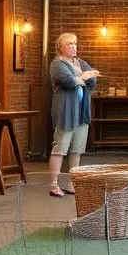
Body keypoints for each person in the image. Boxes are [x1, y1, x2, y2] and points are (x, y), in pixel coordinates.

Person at [49, 32, 99, 198]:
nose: (73, 46)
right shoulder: (57, 63)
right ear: (60, 48)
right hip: (65, 111)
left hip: (81, 111)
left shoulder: (80, 62)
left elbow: (92, 82)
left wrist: (84, 76)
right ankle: (54, 184)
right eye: (69, 44)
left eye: (75, 43)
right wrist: (82, 75)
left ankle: (72, 182)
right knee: (60, 148)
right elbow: (70, 81)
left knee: (76, 149)